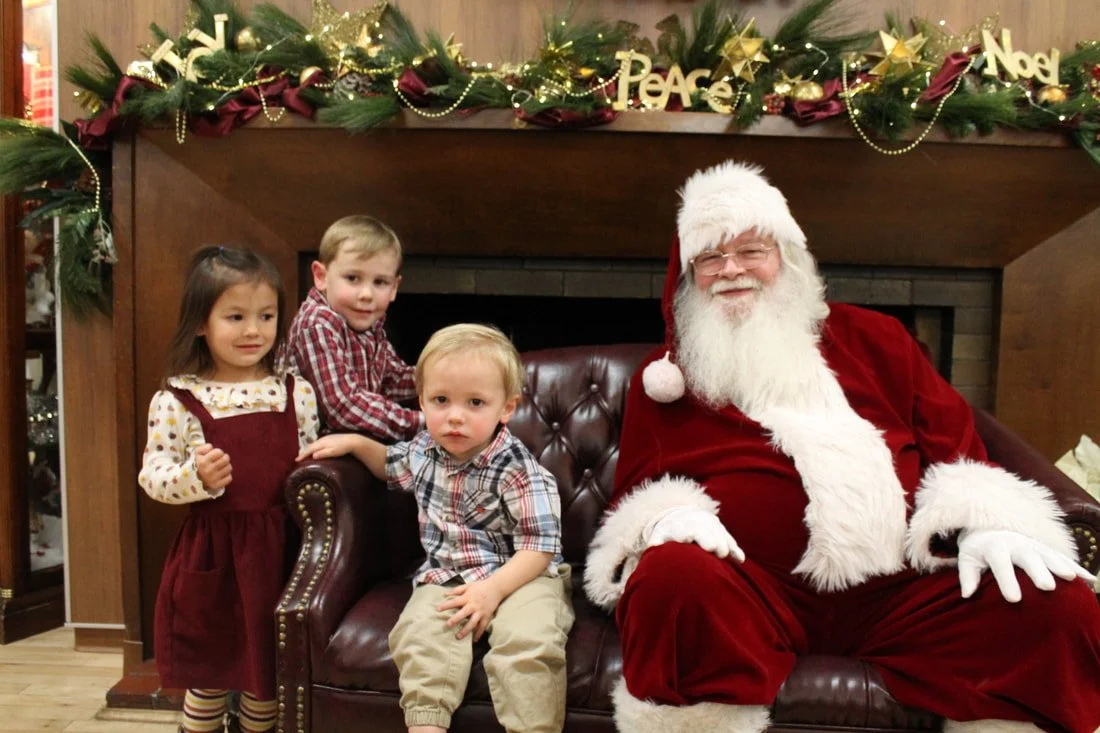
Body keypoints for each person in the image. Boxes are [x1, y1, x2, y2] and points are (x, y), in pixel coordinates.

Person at [583, 161, 1100, 733]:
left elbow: (956, 448)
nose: (731, 270)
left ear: (787, 257)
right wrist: (667, 517)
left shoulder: (879, 340)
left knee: (1056, 605)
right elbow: (636, 496)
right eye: (709, 257)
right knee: (670, 577)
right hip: (752, 594)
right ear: (687, 276)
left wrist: (984, 522)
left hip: (901, 591)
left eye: (751, 250)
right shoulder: (667, 381)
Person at [298, 324, 574, 733]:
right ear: (422, 400)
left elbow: (540, 547)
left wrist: (492, 591)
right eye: (440, 400)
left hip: (522, 575)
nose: (455, 416)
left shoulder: (519, 470)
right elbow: (390, 464)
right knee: (420, 636)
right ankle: (427, 725)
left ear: (506, 408)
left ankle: (532, 728)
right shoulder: (424, 450)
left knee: (529, 643)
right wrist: (356, 443)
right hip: (448, 573)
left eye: (475, 402)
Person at [139, 245, 320, 733]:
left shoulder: (294, 391)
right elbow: (153, 474)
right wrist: (195, 479)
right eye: (235, 316)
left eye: (265, 316)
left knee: (269, 679)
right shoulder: (177, 398)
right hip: (213, 559)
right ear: (201, 322)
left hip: (281, 555)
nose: (253, 330)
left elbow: (311, 463)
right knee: (211, 674)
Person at [285, 214, 421, 442]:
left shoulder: (368, 324)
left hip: (356, 442)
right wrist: (420, 423)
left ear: (394, 287)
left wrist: (444, 378)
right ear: (321, 276)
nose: (366, 295)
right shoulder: (317, 324)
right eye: (352, 278)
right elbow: (343, 406)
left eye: (380, 282)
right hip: (317, 449)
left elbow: (393, 380)